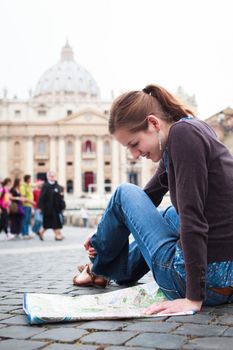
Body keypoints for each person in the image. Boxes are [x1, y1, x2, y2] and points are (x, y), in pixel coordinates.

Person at [73, 84, 233, 315]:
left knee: (123, 192)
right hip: (226, 280)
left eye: (134, 144)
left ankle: (97, 270)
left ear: (154, 123)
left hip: (206, 284)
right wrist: (100, 238)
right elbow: (145, 202)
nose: (134, 156)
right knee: (168, 214)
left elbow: (191, 217)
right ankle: (112, 269)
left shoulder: (182, 136)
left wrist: (193, 299)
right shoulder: (193, 130)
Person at [37, 171, 65, 241]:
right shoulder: (45, 186)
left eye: (53, 176)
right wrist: (40, 207)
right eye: (51, 176)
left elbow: (61, 197)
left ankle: (55, 235)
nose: (52, 177)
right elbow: (41, 197)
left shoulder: (58, 186)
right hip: (47, 208)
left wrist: (62, 205)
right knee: (48, 223)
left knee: (55, 222)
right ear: (48, 177)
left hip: (56, 208)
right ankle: (56, 235)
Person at [20, 174, 35, 239]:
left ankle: (27, 233)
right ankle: (24, 234)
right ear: (27, 179)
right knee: (25, 220)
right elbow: (23, 197)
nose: (31, 180)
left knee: (27, 220)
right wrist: (31, 202)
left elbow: (35, 184)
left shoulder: (29, 186)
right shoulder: (23, 187)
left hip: (29, 205)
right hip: (25, 205)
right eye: (30, 179)